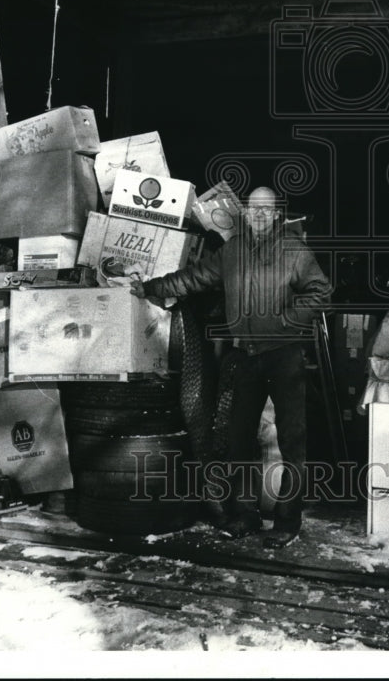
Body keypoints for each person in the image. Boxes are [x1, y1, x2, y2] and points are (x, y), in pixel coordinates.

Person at [131, 186, 332, 548]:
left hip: (285, 355)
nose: (258, 214)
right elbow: (193, 278)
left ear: (275, 215)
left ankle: (288, 521)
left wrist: (286, 320)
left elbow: (321, 291)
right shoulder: (233, 252)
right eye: (253, 208)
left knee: (292, 444)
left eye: (265, 209)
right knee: (239, 440)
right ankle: (246, 515)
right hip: (246, 357)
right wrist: (148, 288)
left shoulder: (295, 252)